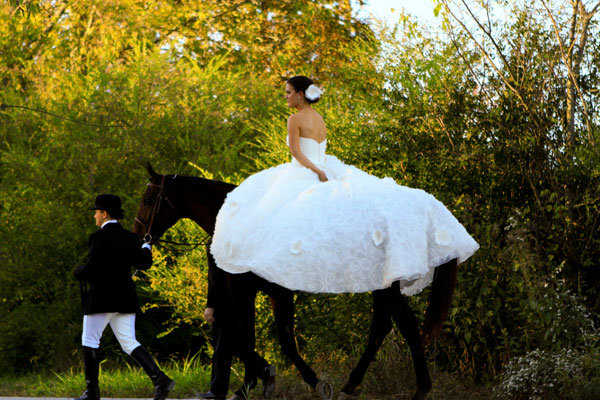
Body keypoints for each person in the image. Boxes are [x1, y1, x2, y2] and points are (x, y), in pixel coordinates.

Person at [210, 75, 479, 295]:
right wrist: (322, 168)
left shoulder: (294, 119)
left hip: (308, 168)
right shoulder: (319, 119)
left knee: (270, 215)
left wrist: (316, 171)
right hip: (327, 165)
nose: (287, 97)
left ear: (301, 95)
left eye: (289, 92)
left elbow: (296, 153)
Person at [73, 194, 175, 400]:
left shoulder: (98, 238)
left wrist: (79, 271)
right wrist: (147, 246)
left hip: (101, 299)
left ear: (104, 213)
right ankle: (160, 380)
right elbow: (144, 262)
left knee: (90, 341)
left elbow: (93, 268)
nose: (94, 216)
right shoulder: (130, 238)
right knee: (129, 341)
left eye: (96, 212)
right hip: (125, 299)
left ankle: (92, 391)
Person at [200, 242, 276, 400]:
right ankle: (262, 370)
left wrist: (210, 305)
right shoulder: (244, 237)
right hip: (245, 297)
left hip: (225, 298)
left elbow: (215, 276)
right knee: (237, 344)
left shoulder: (216, 241)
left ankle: (218, 391)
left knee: (223, 346)